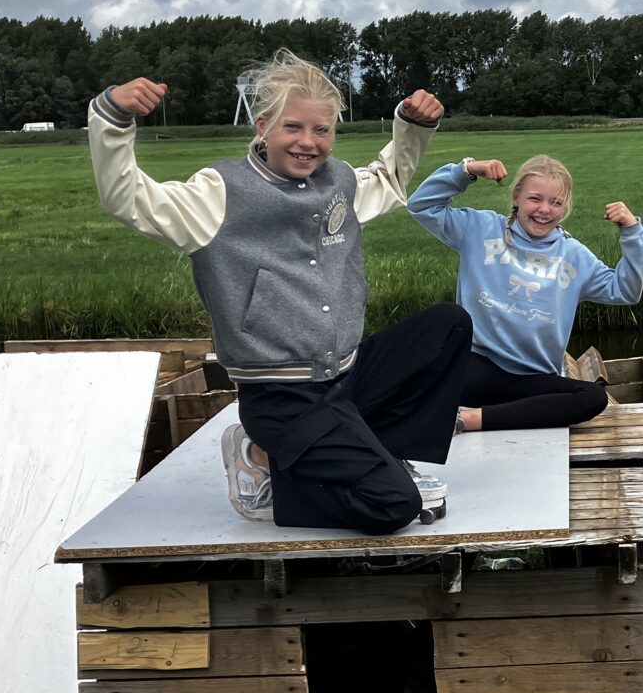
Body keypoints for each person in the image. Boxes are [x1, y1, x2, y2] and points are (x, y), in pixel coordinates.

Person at [89, 50, 470, 535]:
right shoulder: (218, 192)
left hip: (345, 378)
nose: (308, 143)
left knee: (447, 325)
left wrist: (411, 127)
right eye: (293, 128)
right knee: (396, 506)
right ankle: (263, 464)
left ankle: (385, 450)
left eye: (322, 131)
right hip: (284, 398)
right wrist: (113, 118)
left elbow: (389, 181)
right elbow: (129, 200)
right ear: (264, 125)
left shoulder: (340, 182)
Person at [406, 154, 643, 432]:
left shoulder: (574, 255)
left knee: (592, 397)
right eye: (535, 198)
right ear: (516, 197)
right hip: (475, 367)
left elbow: (625, 290)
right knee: (422, 365)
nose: (545, 209)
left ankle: (469, 420)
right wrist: (467, 170)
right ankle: (491, 414)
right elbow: (422, 206)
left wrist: (632, 232)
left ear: (565, 207)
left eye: (556, 202)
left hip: (533, 379)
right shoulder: (480, 228)